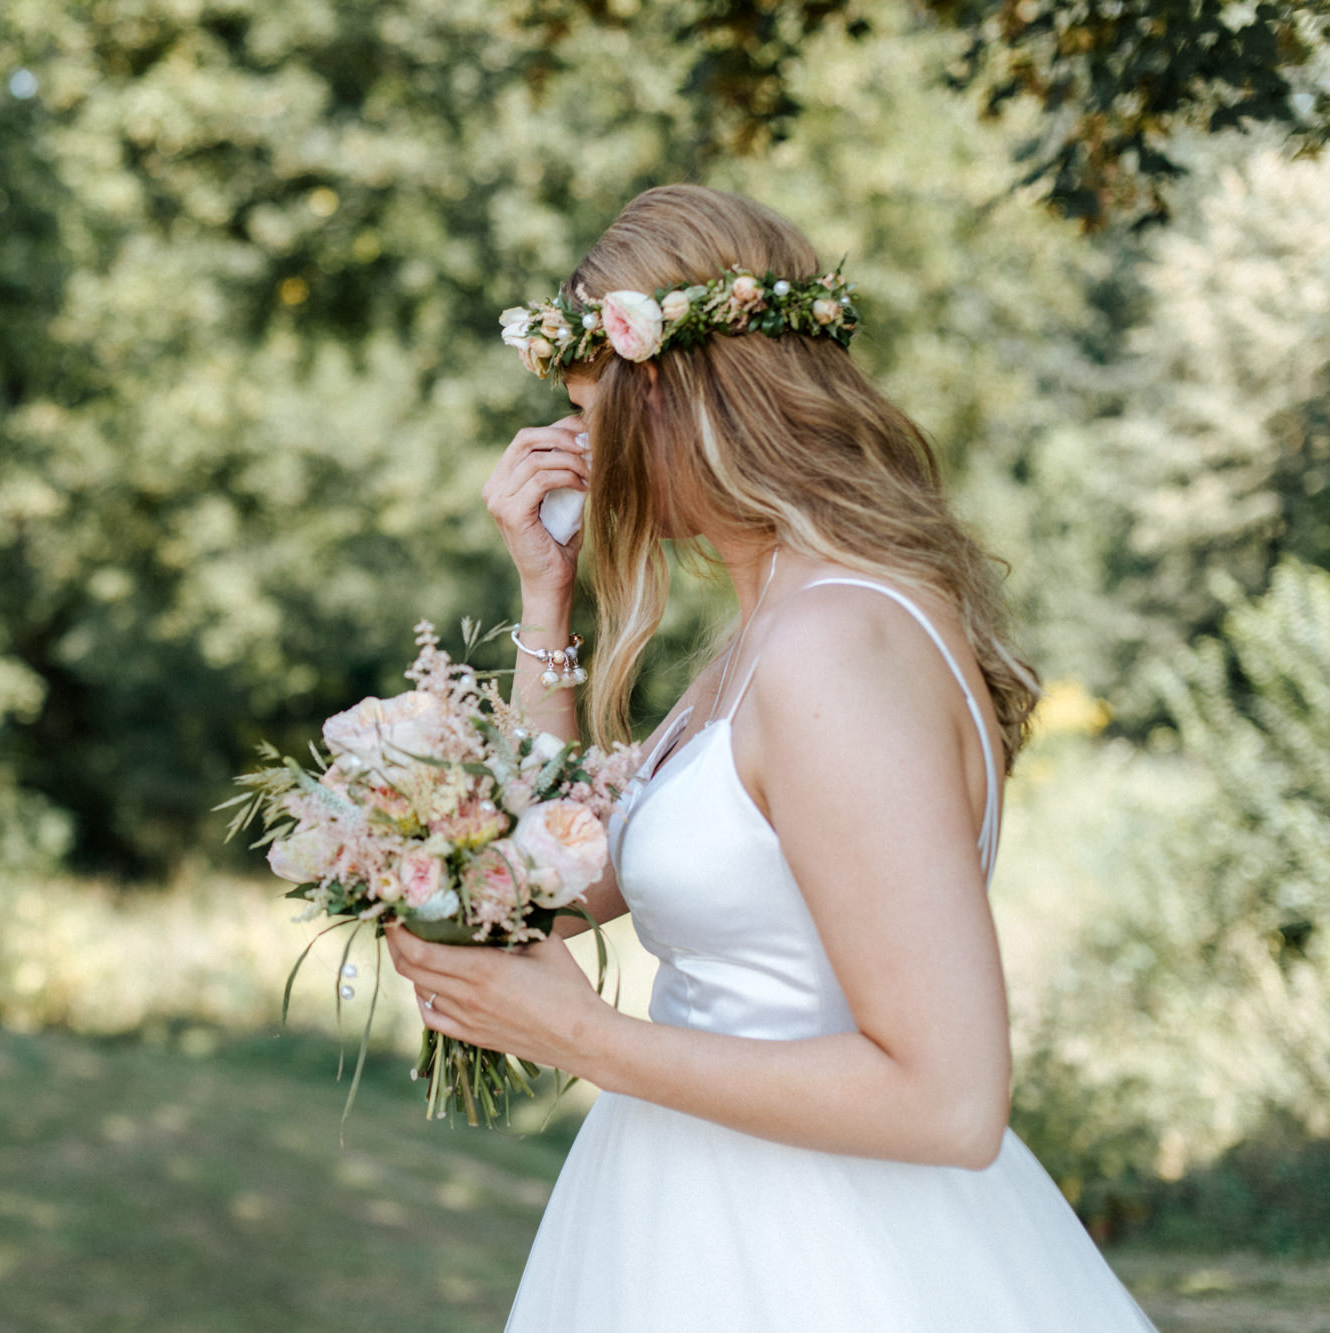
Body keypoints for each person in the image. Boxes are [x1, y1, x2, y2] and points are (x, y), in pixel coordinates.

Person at [386, 184, 1156, 1330]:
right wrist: (544, 600)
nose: (574, 448)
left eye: (587, 410)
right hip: (680, 1222)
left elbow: (947, 1101)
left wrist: (583, 1038)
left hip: (820, 1255)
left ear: (665, 396)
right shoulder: (760, 640)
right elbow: (548, 890)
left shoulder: (831, 647)